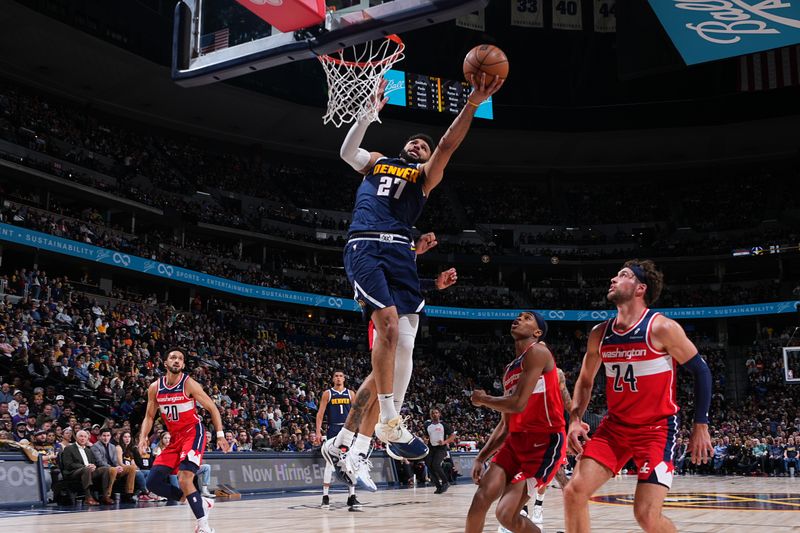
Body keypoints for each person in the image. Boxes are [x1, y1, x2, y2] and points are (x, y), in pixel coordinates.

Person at [329, 71, 503, 472]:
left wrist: (473, 102)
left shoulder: (425, 177)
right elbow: (346, 152)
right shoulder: (376, 162)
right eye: (414, 141)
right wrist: (368, 113)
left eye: (423, 145)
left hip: (400, 254)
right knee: (388, 327)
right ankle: (386, 425)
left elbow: (447, 144)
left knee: (403, 342)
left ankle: (362, 436)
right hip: (366, 244)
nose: (419, 144)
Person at [564, 260, 714, 533]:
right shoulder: (600, 334)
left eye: (623, 275)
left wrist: (700, 425)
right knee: (573, 492)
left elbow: (701, 372)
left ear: (639, 288)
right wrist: (575, 419)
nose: (613, 278)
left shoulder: (662, 328)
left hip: (656, 429)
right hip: (615, 428)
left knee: (645, 515)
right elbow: (585, 382)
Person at [465, 311, 566, 533]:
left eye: (527, 318)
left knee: (505, 514)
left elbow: (518, 403)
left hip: (544, 441)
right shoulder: (510, 369)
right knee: (480, 499)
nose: (519, 319)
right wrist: (481, 457)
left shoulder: (538, 351)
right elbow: (506, 424)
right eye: (518, 316)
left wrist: (483, 400)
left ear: (537, 332)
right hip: (516, 441)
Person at [138, 347, 230, 533]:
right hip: (174, 438)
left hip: (193, 433)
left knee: (184, 478)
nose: (177, 360)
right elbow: (149, 416)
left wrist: (220, 435)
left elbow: (212, 408)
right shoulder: (155, 388)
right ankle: (200, 501)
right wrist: (143, 438)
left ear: (183, 364)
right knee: (152, 482)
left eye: (180, 358)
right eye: (173, 357)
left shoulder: (189, 384)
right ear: (165, 363)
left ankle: (204, 527)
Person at [315, 370, 363, 510]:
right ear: (332, 379)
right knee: (330, 462)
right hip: (333, 430)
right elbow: (320, 414)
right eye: (336, 376)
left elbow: (356, 414)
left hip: (348, 430)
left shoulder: (351, 394)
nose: (338, 378)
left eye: (341, 376)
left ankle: (352, 496)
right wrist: (318, 432)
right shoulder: (327, 393)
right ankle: (325, 497)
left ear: (344, 379)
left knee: (350, 462)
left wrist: (360, 432)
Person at [60, 429, 115, 505]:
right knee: (86, 469)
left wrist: (93, 466)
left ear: (87, 439)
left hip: (88, 471)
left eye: (85, 437)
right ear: (76, 437)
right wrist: (85, 466)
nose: (83, 438)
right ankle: (88, 497)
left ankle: (105, 496)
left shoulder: (88, 450)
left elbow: (93, 462)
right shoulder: (69, 448)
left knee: (106, 469)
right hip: (73, 472)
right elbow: (68, 464)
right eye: (81, 436)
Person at [91, 427, 137, 503]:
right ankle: (107, 496)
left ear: (110, 436)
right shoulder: (95, 446)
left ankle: (129, 494)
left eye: (108, 435)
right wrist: (115, 467)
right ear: (99, 437)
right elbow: (100, 462)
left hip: (113, 468)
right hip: (100, 469)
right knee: (113, 469)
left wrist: (118, 467)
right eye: (104, 435)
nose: (106, 438)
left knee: (131, 468)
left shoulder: (112, 446)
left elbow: (115, 461)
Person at [424, 408, 457, 494]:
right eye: (433, 413)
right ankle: (438, 486)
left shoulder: (444, 425)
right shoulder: (427, 425)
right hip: (431, 447)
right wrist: (426, 439)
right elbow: (426, 436)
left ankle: (446, 482)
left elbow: (453, 436)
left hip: (441, 448)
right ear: (430, 415)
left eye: (436, 413)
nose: (434, 414)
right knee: (429, 465)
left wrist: (445, 442)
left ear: (439, 414)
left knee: (436, 464)